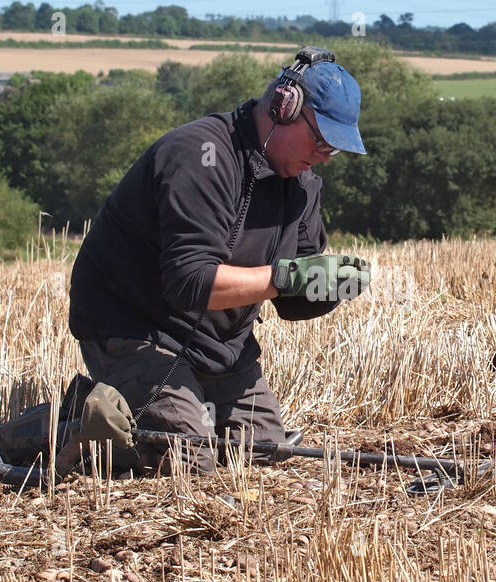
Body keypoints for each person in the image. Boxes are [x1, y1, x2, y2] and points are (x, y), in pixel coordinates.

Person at [66, 46, 370, 473]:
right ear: (284, 107)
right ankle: (75, 422)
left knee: (264, 457)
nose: (324, 155)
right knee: (189, 465)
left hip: (220, 349)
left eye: (334, 149)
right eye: (321, 139)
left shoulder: (301, 185)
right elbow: (189, 282)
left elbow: (291, 301)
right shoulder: (201, 156)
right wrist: (290, 276)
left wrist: (327, 286)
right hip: (135, 331)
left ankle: (149, 414)